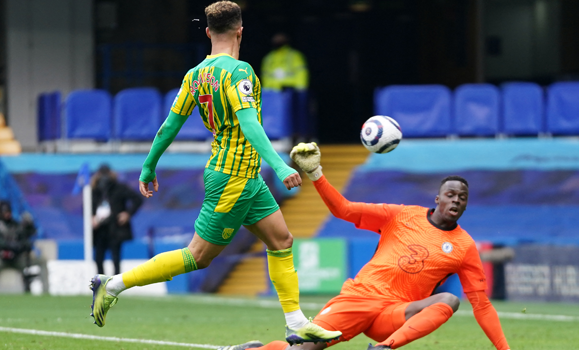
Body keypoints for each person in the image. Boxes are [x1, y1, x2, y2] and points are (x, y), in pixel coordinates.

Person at [89, 1, 342, 345]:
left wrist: (149, 166)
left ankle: (295, 323)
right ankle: (113, 284)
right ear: (241, 31)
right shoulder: (240, 73)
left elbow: (168, 127)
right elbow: (249, 123)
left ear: (208, 32)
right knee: (198, 256)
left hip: (245, 177)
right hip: (232, 178)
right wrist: (281, 165)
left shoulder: (194, 76)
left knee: (281, 240)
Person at [219, 143, 511, 350]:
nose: (456, 201)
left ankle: (384, 348)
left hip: (394, 315)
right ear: (438, 199)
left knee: (448, 301)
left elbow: (482, 306)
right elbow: (344, 210)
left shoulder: (464, 247)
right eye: (450, 194)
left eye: (462, 198)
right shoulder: (402, 215)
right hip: (359, 299)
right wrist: (316, 174)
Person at [0, 201, 49, 294]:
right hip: (1, 258)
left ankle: (46, 292)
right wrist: (5, 244)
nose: (7, 214)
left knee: (42, 260)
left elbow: (27, 238)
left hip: (17, 259)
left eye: (8, 212)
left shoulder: (16, 225)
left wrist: (28, 227)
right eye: (5, 212)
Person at [91, 164, 143, 275]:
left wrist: (128, 214)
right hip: (99, 229)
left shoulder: (119, 188)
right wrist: (91, 218)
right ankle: (101, 285)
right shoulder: (94, 190)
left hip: (115, 228)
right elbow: (86, 207)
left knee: (116, 258)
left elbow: (137, 199)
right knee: (98, 258)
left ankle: (115, 285)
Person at [261, 33, 313, 142]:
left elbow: (301, 74)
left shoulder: (294, 56)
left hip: (294, 93)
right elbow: (265, 77)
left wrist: (298, 89)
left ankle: (301, 136)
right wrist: (275, 89)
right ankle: (282, 137)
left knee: (299, 116)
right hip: (275, 95)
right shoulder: (269, 58)